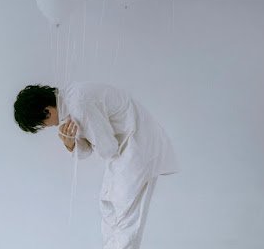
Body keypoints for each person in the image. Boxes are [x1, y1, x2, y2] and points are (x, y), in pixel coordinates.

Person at [14, 80, 180, 249]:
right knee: (109, 208)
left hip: (138, 145)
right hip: (124, 149)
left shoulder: (79, 104)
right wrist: (70, 143)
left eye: (42, 125)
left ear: (47, 112)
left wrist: (78, 139)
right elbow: (89, 149)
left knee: (126, 215)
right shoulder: (70, 103)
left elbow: (108, 148)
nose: (46, 126)